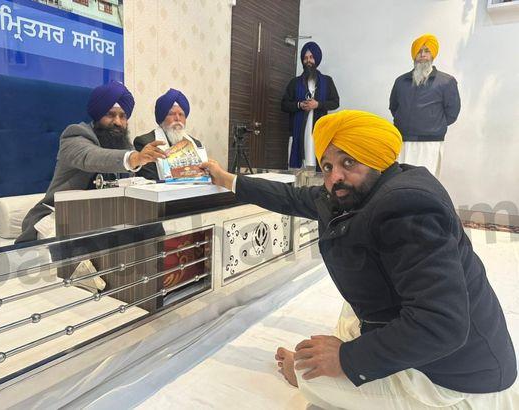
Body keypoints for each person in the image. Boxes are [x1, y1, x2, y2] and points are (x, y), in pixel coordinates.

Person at [201, 110, 518, 409]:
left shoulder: (407, 208)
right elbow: (291, 197)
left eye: (348, 162)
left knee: (310, 377)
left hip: (458, 378)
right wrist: (226, 179)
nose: (335, 177)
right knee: (350, 312)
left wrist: (345, 359)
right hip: (444, 349)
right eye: (327, 166)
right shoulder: (362, 190)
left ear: (376, 158)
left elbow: (443, 325)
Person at [16, 81, 166, 243]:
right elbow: (91, 157)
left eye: (123, 116)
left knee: (151, 224)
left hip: (104, 216)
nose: (118, 122)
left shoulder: (124, 144)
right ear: (98, 115)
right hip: (60, 215)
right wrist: (133, 158)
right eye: (110, 114)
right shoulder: (75, 135)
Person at [389, 33, 461, 178]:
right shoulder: (401, 81)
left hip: (430, 143)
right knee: (401, 180)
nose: (423, 55)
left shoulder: (446, 82)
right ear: (414, 55)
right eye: (419, 51)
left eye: (427, 51)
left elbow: (452, 113)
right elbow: (394, 107)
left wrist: (433, 124)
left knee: (425, 181)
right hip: (403, 141)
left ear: (433, 54)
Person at [281, 41, 339, 170]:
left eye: (311, 57)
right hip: (298, 133)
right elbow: (284, 104)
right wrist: (299, 105)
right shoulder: (294, 82)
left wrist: (318, 104)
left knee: (316, 165)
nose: (308, 61)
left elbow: (335, 102)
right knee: (297, 171)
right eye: (305, 58)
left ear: (316, 59)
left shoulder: (327, 81)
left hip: (318, 132)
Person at [134, 88, 203, 181]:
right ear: (162, 118)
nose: (177, 118)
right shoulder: (146, 142)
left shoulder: (196, 144)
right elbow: (150, 182)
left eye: (181, 114)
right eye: (172, 114)